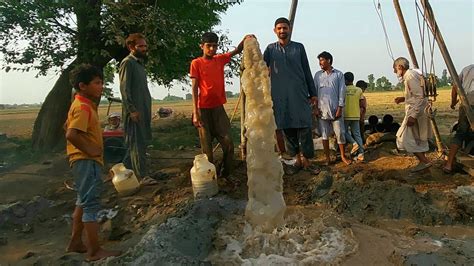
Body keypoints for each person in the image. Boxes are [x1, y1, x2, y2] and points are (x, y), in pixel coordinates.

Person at [65, 64, 121, 261]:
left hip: (82, 161)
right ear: (83, 86)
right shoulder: (83, 107)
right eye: (97, 83)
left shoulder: (80, 104)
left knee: (82, 201)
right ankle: (94, 251)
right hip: (87, 161)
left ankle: (75, 242)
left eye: (101, 82)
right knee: (91, 205)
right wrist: (91, 149)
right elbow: (71, 133)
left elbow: (68, 127)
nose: (101, 86)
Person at [190, 32, 252, 178]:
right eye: (208, 46)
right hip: (203, 109)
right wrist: (195, 112)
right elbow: (194, 88)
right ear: (202, 46)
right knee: (207, 151)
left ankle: (226, 174)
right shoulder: (196, 63)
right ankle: (210, 179)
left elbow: (236, 51)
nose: (211, 49)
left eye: (214, 46)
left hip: (218, 109)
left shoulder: (219, 60)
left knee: (229, 144)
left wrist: (246, 39)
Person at [263, 17, 319, 174]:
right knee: (287, 128)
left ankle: (307, 161)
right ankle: (296, 161)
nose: (282, 31)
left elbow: (306, 70)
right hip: (280, 96)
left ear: (289, 29)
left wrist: (313, 93)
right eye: (279, 28)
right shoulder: (270, 49)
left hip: (299, 93)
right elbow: (260, 65)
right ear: (275, 31)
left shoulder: (299, 48)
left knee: (305, 127)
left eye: (285, 28)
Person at [119, 33, 152, 179]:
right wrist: (132, 110)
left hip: (143, 109)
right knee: (136, 144)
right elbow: (124, 89)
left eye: (145, 45)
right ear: (131, 47)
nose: (144, 49)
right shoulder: (128, 63)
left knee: (140, 142)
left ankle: (125, 172)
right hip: (134, 112)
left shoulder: (139, 63)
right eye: (140, 46)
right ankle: (142, 177)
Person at [393, 57, 432, 172]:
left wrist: (413, 116)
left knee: (403, 138)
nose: (395, 71)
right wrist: (404, 98)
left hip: (416, 111)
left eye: (395, 68)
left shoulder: (410, 76)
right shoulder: (412, 75)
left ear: (400, 67)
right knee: (419, 138)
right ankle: (424, 166)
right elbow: (416, 95)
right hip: (419, 110)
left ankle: (425, 162)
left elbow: (420, 97)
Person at [314, 51, 351, 165]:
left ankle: (343, 156)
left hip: (336, 110)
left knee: (340, 133)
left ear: (329, 60)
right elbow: (314, 92)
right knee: (324, 135)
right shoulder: (317, 75)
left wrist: (340, 108)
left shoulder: (339, 74)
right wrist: (315, 108)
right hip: (322, 111)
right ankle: (327, 158)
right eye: (319, 60)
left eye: (322, 60)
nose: (320, 63)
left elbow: (342, 92)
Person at [444, 64, 474, 173]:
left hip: (465, 103)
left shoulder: (467, 69)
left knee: (461, 133)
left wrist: (453, 102)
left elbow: (455, 86)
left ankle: (448, 164)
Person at [343, 72, 364, 161]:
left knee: (343, 132)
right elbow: (362, 103)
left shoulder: (342, 89)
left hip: (346, 115)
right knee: (357, 134)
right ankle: (361, 154)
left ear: (346, 80)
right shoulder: (359, 90)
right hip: (356, 115)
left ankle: (354, 143)